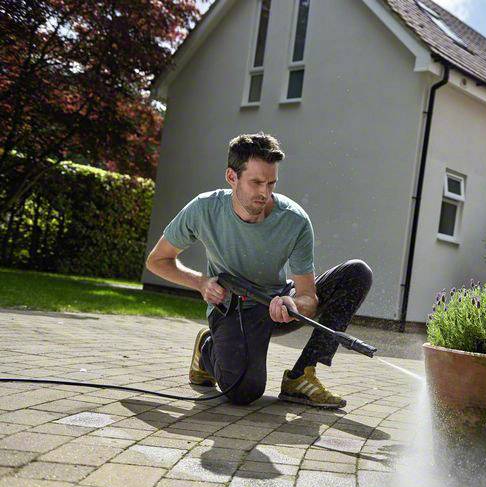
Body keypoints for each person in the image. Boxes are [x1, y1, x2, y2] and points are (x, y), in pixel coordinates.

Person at [145, 132, 372, 408]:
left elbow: (308, 297)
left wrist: (294, 303)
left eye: (271, 183)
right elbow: (157, 260)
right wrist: (202, 283)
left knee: (357, 273)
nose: (264, 192)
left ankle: (301, 376)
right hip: (232, 309)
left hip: (277, 304)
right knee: (244, 391)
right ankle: (208, 349)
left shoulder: (294, 221)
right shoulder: (204, 209)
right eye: (256, 182)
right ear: (232, 177)